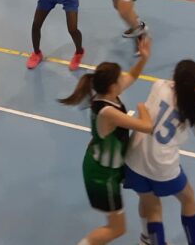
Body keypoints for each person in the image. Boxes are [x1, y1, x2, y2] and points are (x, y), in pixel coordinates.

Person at [124, 60, 195, 245]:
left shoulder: (159, 86)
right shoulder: (190, 110)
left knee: (149, 204)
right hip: (162, 167)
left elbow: (180, 83)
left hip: (133, 160)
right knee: (188, 198)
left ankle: (147, 239)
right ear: (194, 84)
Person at [59, 35, 152, 245]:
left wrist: (144, 58)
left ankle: (148, 237)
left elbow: (133, 76)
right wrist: (143, 109)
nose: (123, 80)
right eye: (119, 78)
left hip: (108, 165)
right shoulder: (108, 112)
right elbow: (146, 126)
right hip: (103, 175)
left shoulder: (107, 95)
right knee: (117, 229)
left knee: (143, 193)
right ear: (112, 86)